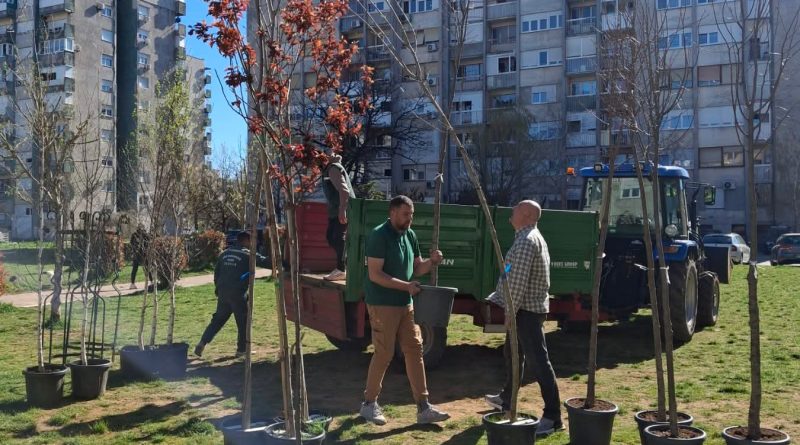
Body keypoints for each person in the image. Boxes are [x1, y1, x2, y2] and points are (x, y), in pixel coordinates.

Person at [358, 195, 450, 425]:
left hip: (405, 304)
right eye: (405, 214)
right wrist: (406, 287)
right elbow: (375, 275)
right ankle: (369, 404)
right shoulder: (379, 235)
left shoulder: (410, 235)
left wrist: (432, 262)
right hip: (382, 303)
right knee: (384, 352)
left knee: (415, 349)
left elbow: (417, 269)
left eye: (412, 215)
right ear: (392, 213)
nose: (410, 219)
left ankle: (424, 407)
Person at [484, 200, 563, 437]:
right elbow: (511, 271)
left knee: (539, 362)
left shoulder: (528, 241)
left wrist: (509, 311)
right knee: (512, 353)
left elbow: (517, 284)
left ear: (527, 214)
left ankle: (553, 416)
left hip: (525, 312)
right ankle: (507, 398)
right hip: (524, 310)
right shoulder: (524, 238)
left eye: (516, 209)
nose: (511, 212)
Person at [195, 231, 267, 357]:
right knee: (243, 322)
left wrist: (218, 289)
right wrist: (283, 263)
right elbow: (265, 262)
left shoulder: (224, 254)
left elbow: (216, 273)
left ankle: (202, 342)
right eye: (251, 241)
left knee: (217, 320)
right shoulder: (247, 254)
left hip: (223, 292)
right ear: (246, 241)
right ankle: (242, 350)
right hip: (238, 293)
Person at [321, 152, 355, 281]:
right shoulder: (329, 168)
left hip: (341, 209)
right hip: (334, 210)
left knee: (338, 238)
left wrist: (342, 210)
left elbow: (344, 190)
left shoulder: (333, 168)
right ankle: (344, 265)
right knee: (331, 237)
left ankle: (342, 269)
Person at [129, 224, 152, 289]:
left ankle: (132, 284)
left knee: (135, 269)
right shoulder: (145, 235)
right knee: (147, 268)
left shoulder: (134, 235)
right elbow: (148, 243)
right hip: (143, 254)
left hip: (137, 254)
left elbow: (131, 244)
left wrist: (133, 251)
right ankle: (151, 282)